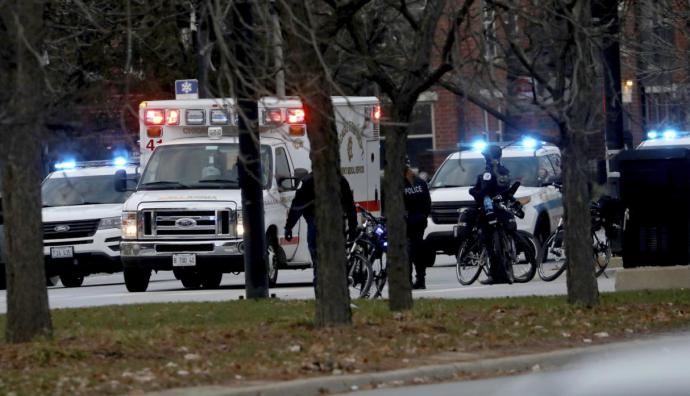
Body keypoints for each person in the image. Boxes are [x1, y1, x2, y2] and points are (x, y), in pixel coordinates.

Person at [284, 171, 358, 288]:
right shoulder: (340, 180)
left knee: (319, 267)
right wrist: (353, 230)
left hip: (316, 229)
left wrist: (288, 227)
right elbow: (350, 207)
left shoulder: (307, 181)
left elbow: (297, 207)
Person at [462, 144, 513, 284]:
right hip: (502, 208)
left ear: (488, 157)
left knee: (489, 241)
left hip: (489, 210)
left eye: (485, 156)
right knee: (500, 241)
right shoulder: (505, 170)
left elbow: (484, 193)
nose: (484, 158)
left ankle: (494, 274)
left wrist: (472, 191)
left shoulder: (488, 172)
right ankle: (505, 271)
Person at [404, 162, 432, 289]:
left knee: (408, 252)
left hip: (407, 223)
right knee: (417, 251)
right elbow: (427, 204)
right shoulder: (420, 182)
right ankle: (421, 279)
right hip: (419, 222)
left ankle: (408, 281)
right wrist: (423, 216)